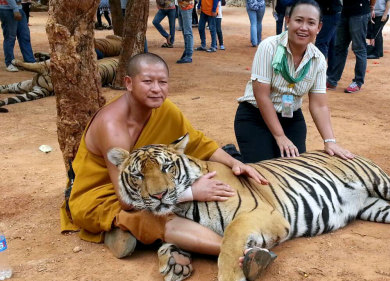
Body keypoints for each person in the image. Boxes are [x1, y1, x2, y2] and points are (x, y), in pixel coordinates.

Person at [60, 53, 268, 262]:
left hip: (149, 187)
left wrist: (236, 163)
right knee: (153, 218)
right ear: (129, 83)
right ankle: (240, 253)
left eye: (163, 82)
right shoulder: (113, 127)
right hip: (100, 197)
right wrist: (190, 193)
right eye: (148, 81)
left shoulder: (164, 109)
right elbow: (125, 199)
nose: (157, 89)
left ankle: (128, 231)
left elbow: (199, 143)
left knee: (194, 176)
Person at [234, 0, 354, 163]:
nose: (304, 27)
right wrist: (280, 136)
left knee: (296, 169)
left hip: (290, 117)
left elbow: (319, 105)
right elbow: (262, 97)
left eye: (311, 23)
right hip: (255, 117)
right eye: (299, 20)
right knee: (264, 171)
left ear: (318, 28)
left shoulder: (318, 59)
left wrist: (330, 141)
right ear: (288, 21)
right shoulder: (268, 47)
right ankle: (233, 156)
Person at [328, 0, 376, 94]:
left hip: (360, 12)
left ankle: (358, 82)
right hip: (345, 12)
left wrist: (371, 7)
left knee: (359, 48)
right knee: (339, 47)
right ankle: (332, 80)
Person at [0, 0, 36, 72]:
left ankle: (30, 61)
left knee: (24, 36)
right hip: (7, 9)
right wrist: (15, 9)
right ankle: (10, 62)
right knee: (10, 37)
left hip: (19, 8)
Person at [314, 0, 342, 90]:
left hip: (329, 13)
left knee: (321, 43)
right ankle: (330, 77)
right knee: (331, 45)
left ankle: (321, 74)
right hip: (333, 12)